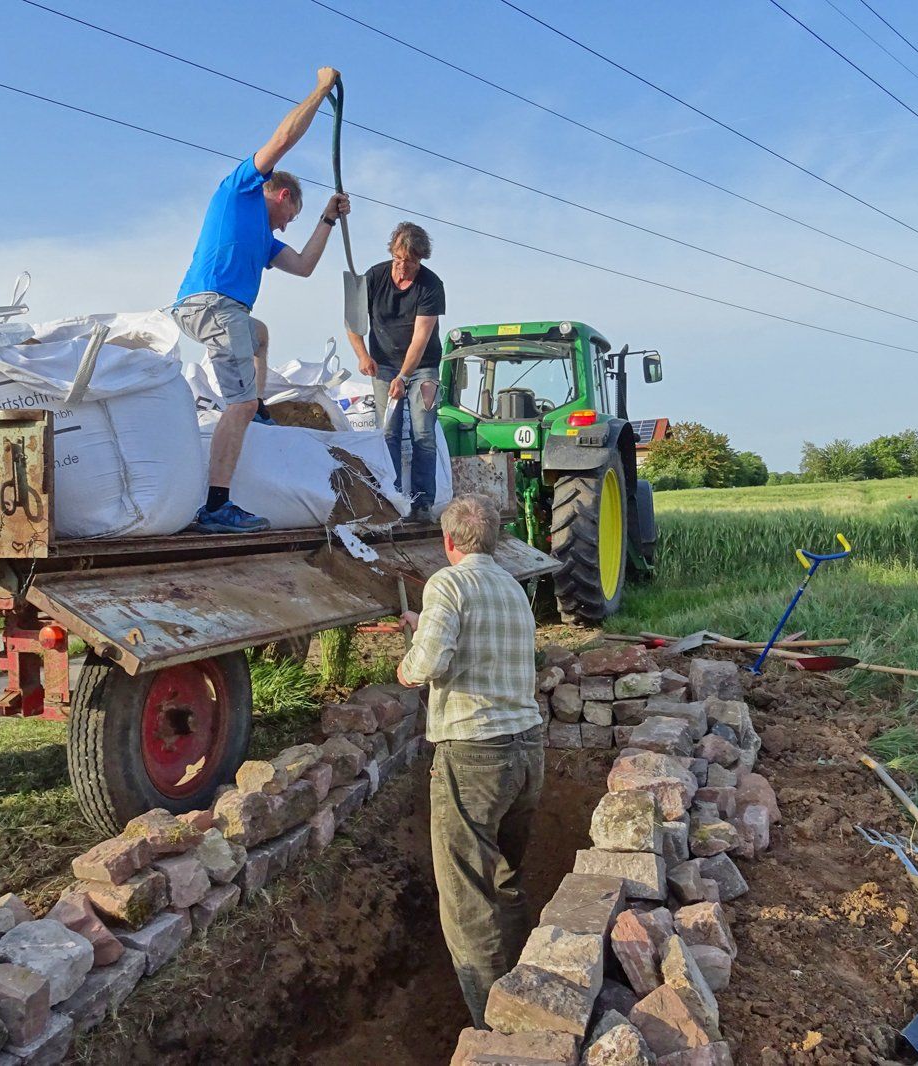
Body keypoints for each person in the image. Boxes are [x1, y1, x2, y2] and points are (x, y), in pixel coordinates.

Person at [173, 67, 351, 533]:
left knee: (261, 336)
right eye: (292, 215)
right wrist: (319, 89)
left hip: (221, 312)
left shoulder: (265, 239)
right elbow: (284, 138)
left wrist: (327, 220)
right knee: (239, 406)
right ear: (282, 195)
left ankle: (258, 406)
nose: (287, 226)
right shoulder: (242, 191)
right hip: (213, 303)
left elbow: (305, 265)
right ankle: (216, 506)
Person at [396, 493, 542, 1028]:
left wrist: (406, 667)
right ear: (497, 540)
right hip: (527, 746)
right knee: (505, 878)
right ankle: (531, 990)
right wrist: (424, 622)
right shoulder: (511, 587)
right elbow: (484, 642)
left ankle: (496, 1027)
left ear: (448, 541)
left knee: (465, 896)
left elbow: (430, 661)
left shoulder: (447, 582)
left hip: (473, 753)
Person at [346, 222, 446, 520]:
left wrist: (404, 377)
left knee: (423, 432)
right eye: (398, 259)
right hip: (382, 364)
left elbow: (420, 339)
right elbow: (352, 321)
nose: (402, 268)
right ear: (392, 254)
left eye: (410, 262)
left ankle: (422, 503)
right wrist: (363, 355)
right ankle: (391, 499)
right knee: (387, 431)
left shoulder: (431, 285)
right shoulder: (374, 277)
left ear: (421, 260)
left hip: (423, 367)